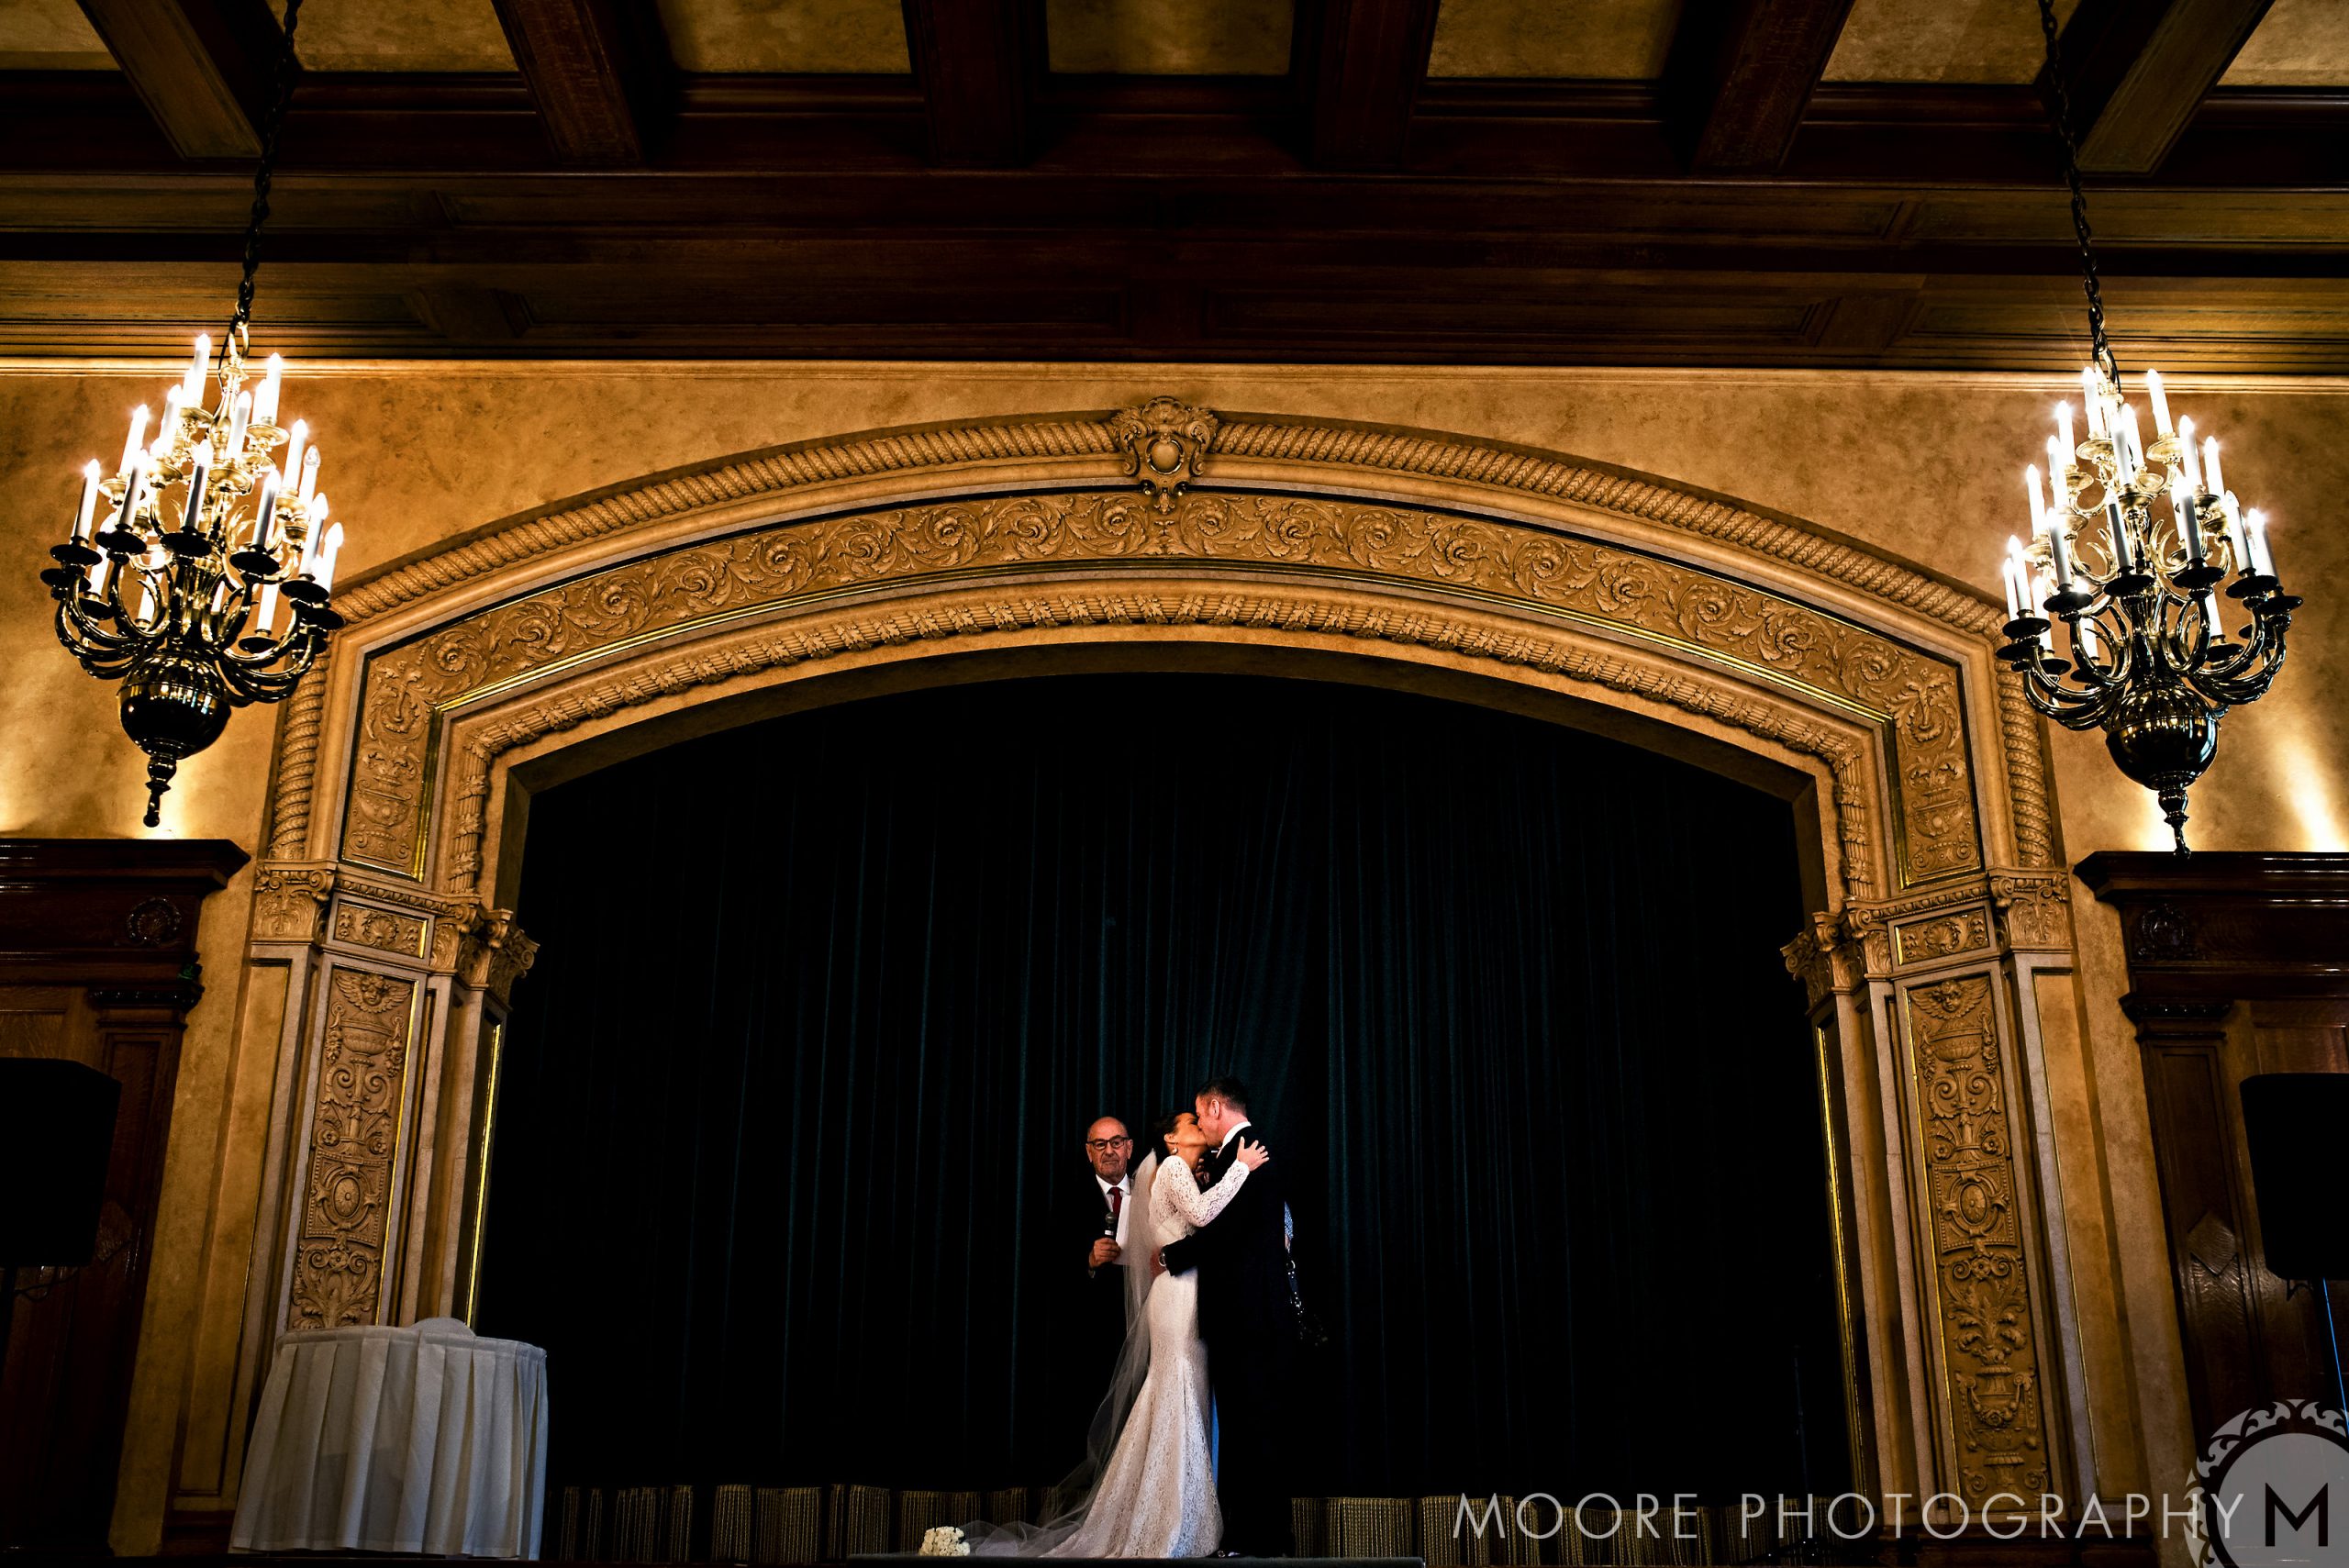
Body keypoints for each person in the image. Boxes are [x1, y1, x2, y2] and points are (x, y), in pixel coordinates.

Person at [975, 1107, 1270, 1558]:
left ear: (1132, 1148)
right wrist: (1241, 1169)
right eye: (1191, 1124)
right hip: (1169, 1302)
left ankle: (1176, 1506)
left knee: (1179, 1394)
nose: (1200, 1128)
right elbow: (1203, 1215)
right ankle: (1168, 1514)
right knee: (1177, 1392)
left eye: (1117, 1142)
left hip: (1182, 1294)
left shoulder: (1177, 1171)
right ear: (1171, 1141)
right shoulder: (1172, 1167)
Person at [1157, 1077, 1297, 1556]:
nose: (1200, 1125)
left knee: (1250, 1429)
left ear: (1216, 1107)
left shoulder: (1247, 1151)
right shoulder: (1240, 1153)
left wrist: (1170, 1257)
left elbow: (1230, 1233)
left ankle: (1258, 1539)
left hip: (1248, 1318)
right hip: (1250, 1316)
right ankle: (1258, 1536)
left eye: (1201, 1115)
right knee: (1247, 1428)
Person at [1056, 1117, 1135, 1464]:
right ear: (1089, 1153)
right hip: (1095, 1336)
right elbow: (1049, 1265)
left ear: (1130, 1148)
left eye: (1116, 1142)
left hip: (1148, 1323)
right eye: (1100, 1145)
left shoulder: (1154, 1190)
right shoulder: (1071, 1199)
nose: (1109, 1151)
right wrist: (1088, 1259)